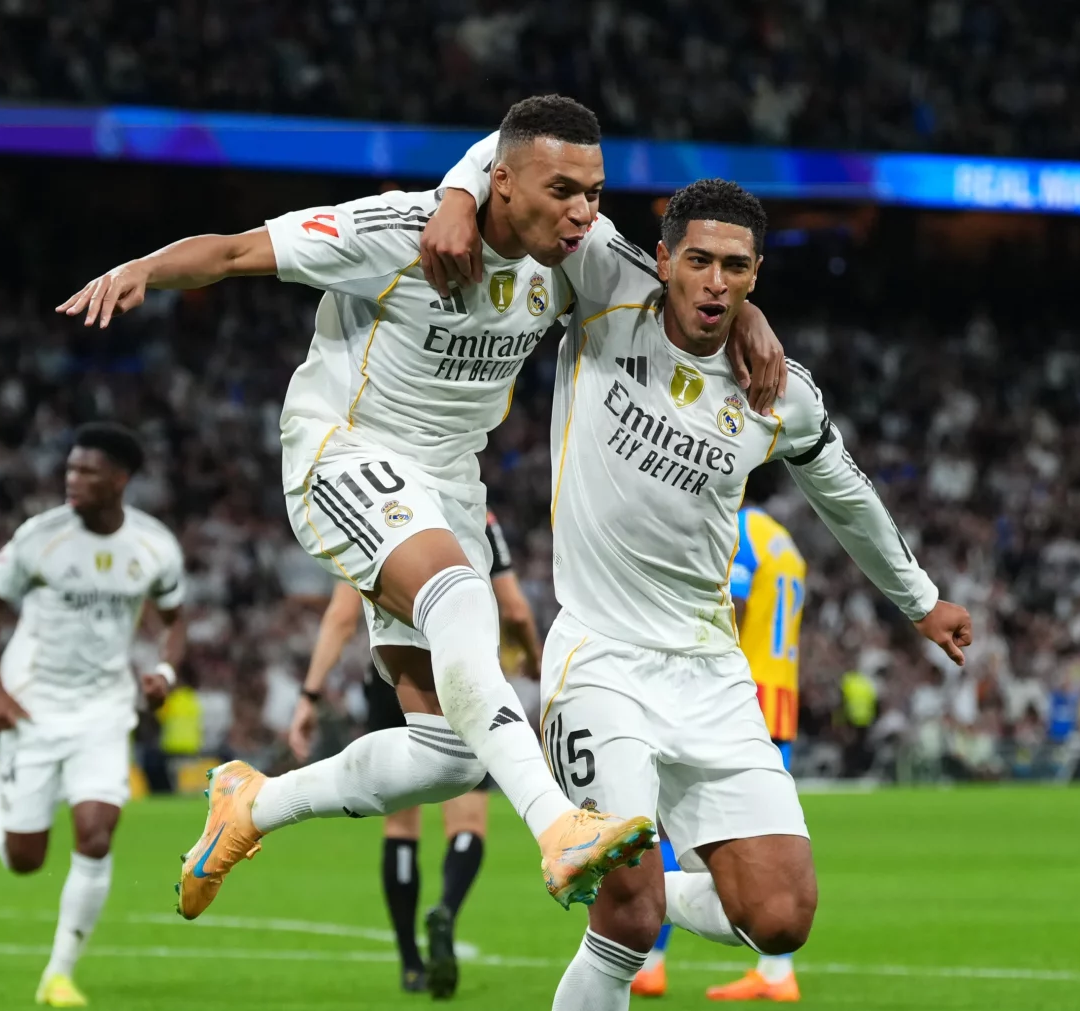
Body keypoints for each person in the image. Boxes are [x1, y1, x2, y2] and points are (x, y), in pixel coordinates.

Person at [56, 95, 786, 919]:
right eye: (563, 191)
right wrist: (141, 270)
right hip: (344, 448)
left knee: (449, 758)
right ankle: (558, 826)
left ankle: (252, 806)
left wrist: (750, 314)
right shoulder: (395, 233)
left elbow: (685, 281)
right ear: (502, 183)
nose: (584, 211)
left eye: (595, 190)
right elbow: (230, 252)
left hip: (448, 481)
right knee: (461, 601)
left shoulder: (577, 254)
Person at [426, 166, 972, 1011]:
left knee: (781, 916)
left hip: (709, 672)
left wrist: (919, 598)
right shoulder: (602, 281)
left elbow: (844, 491)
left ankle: (629, 884)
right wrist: (459, 195)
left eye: (738, 267)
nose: (716, 282)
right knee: (627, 910)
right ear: (663, 255)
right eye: (700, 259)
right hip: (599, 659)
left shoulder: (778, 388)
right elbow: (531, 154)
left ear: (756, 275)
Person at [0, 423, 187, 1008]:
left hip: (103, 708)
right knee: (25, 860)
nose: (73, 480)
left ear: (120, 480)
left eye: (87, 471)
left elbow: (174, 619)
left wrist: (164, 673)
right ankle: (0, 781)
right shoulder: (39, 538)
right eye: (70, 469)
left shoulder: (154, 546)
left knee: (96, 831)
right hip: (33, 705)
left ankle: (59, 973)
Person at [288, 511, 543, 996]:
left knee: (400, 821)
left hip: (394, 673)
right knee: (467, 818)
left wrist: (311, 694)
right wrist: (533, 658)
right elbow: (514, 609)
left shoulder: (377, 510)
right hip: (463, 671)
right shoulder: (478, 515)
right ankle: (446, 907)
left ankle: (409, 962)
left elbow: (343, 615)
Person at [634, 470, 807, 1003]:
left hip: (734, 700)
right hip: (779, 694)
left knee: (669, 820)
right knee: (769, 830)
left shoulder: (733, 531)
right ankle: (776, 972)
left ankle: (651, 960)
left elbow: (726, 609)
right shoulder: (781, 537)